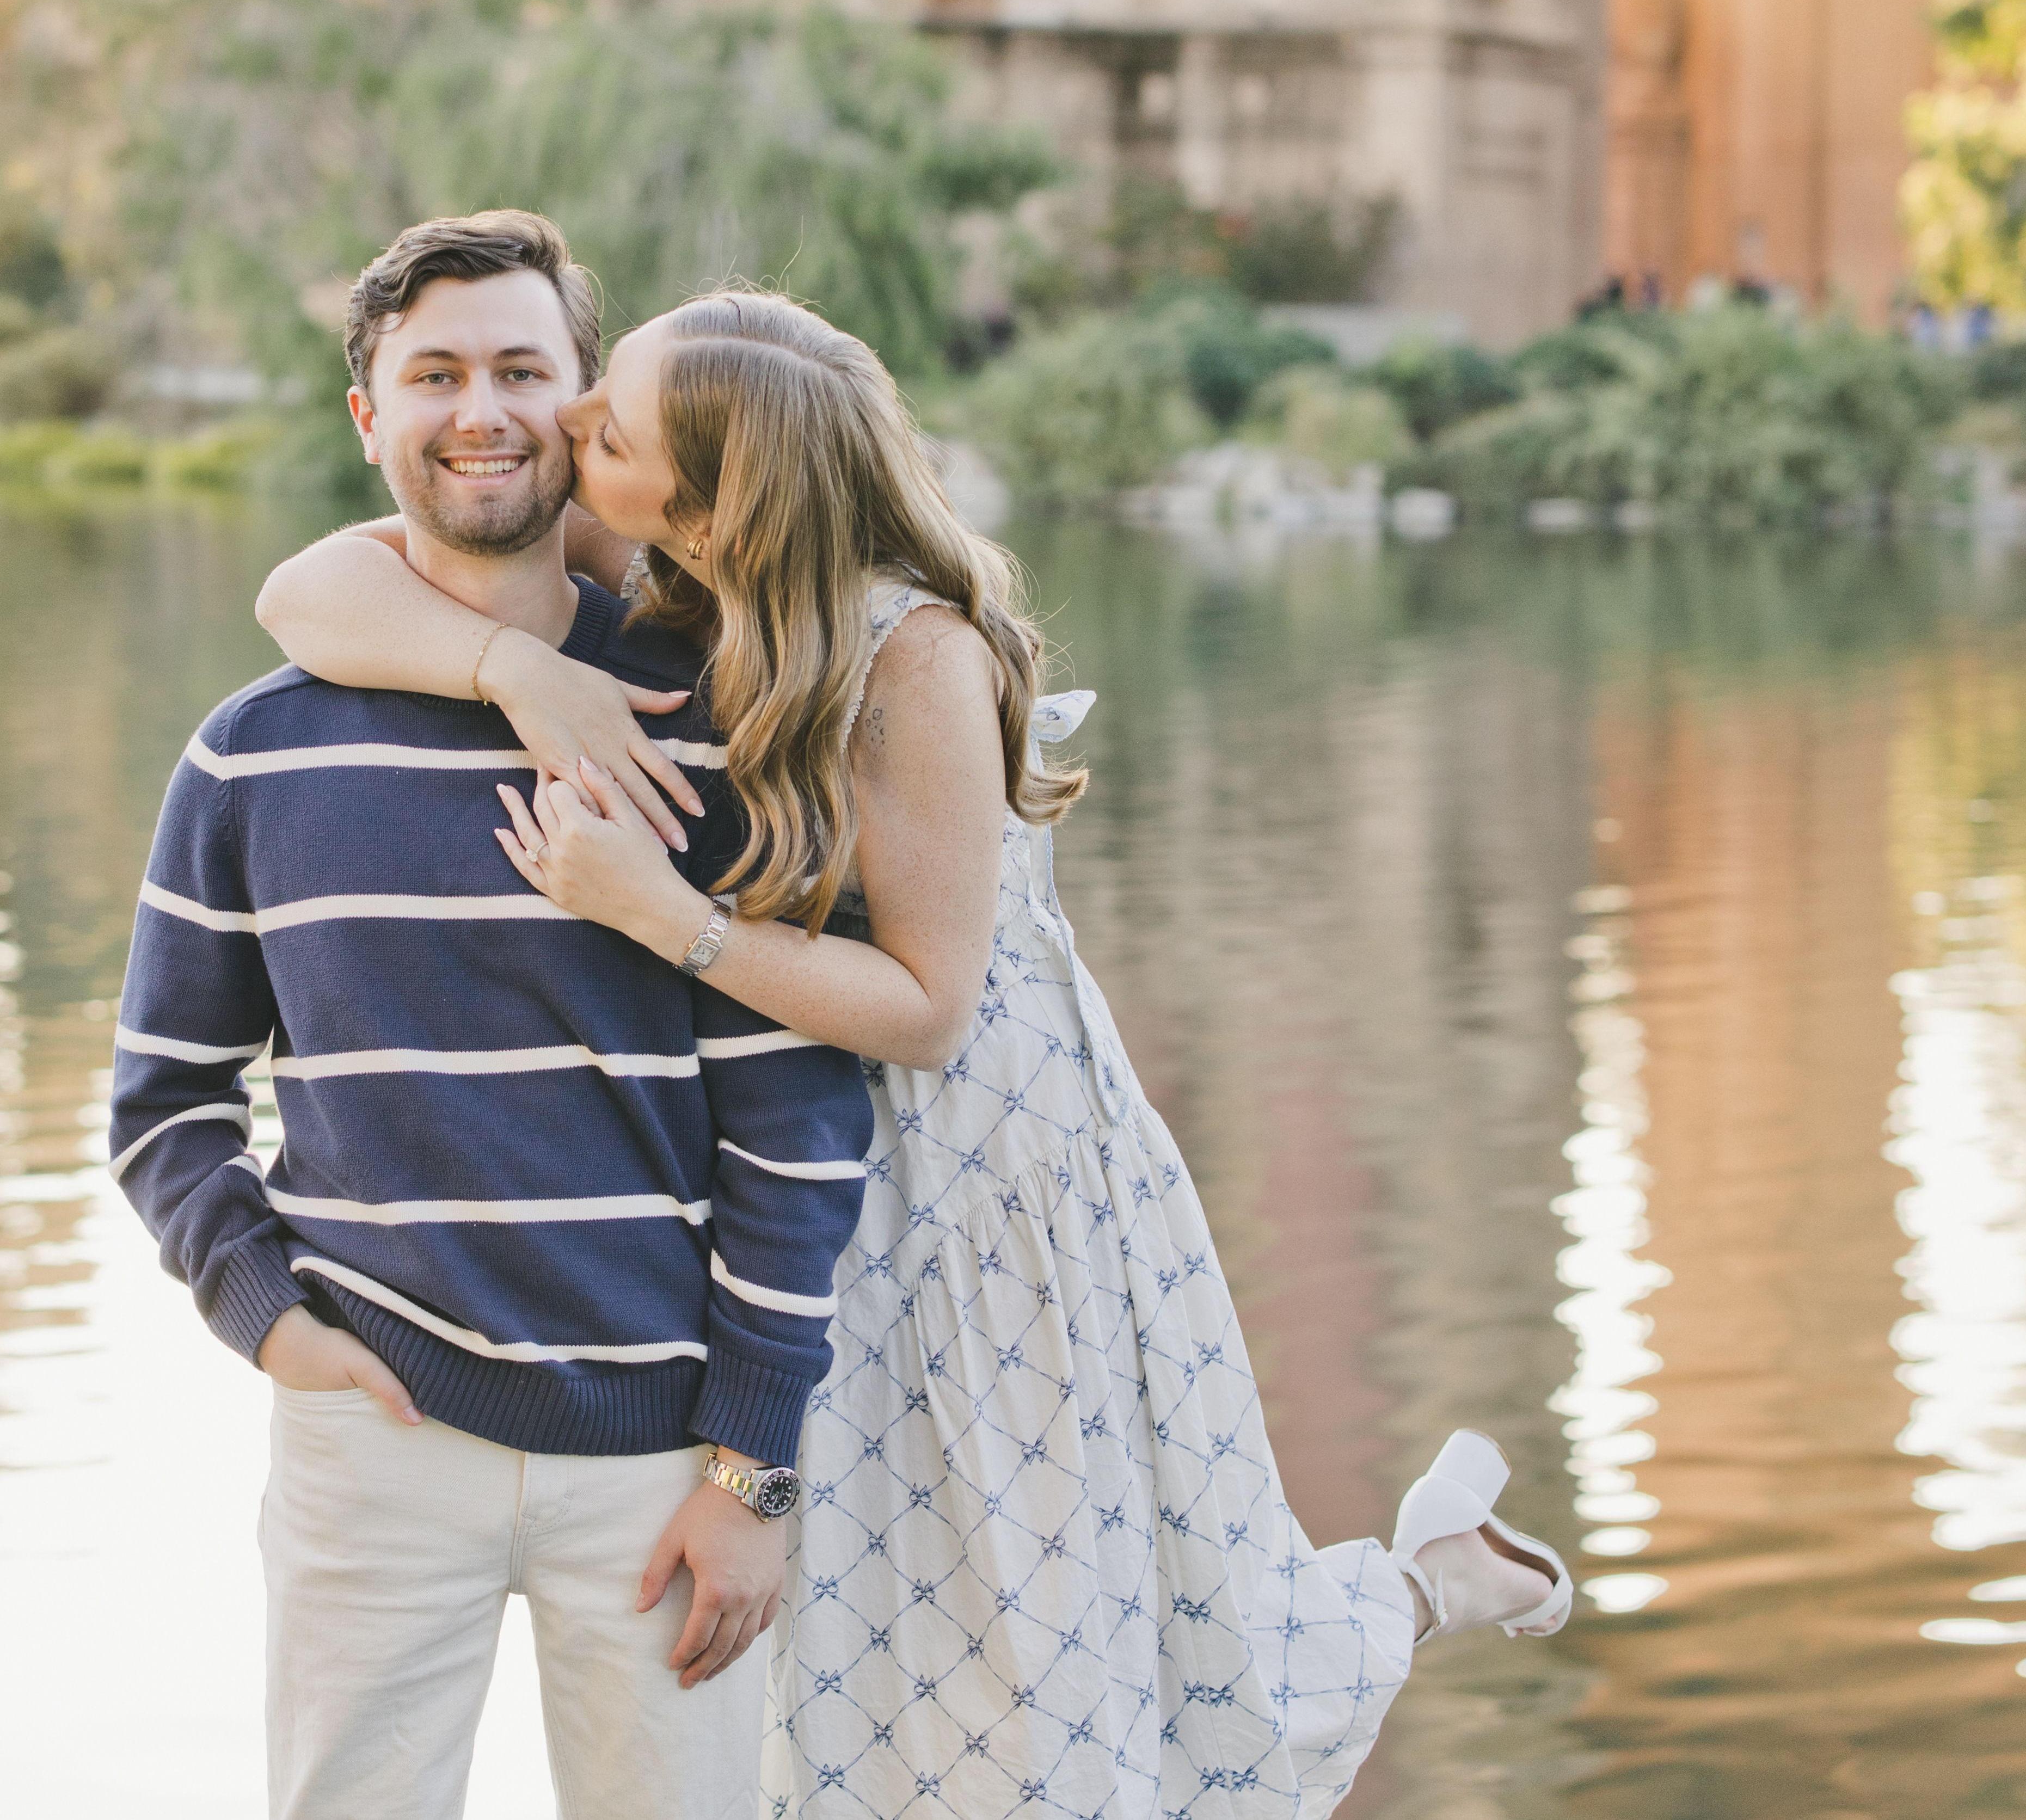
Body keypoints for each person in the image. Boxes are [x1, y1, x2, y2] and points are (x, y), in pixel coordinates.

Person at [257, 276, 1572, 1818]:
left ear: (705, 485)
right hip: (790, 1181)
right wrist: (515, 669)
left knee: (1041, 1663)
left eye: (601, 422)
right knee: (835, 1683)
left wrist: (654, 912)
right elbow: (304, 592)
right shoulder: (673, 569)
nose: (559, 426)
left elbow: (931, 1007)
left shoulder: (917, 655)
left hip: (982, 1191)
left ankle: (1418, 1583)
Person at [108, 212, 875, 1820]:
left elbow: (795, 1123)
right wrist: (265, 1313)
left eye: (524, 369)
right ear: (366, 416)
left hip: (660, 1451)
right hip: (372, 1431)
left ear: (589, 405)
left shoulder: (714, 721)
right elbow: (168, 1099)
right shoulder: (252, 757)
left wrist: (749, 1456)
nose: (482, 409)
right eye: (435, 372)